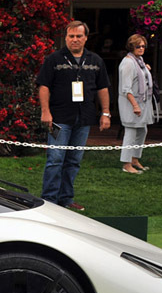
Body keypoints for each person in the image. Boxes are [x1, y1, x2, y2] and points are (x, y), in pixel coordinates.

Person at [37, 20, 111, 211]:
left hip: (84, 118)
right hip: (59, 118)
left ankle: (66, 199)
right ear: (66, 38)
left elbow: (102, 88)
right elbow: (43, 86)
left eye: (79, 36)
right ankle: (49, 200)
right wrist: (45, 111)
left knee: (74, 160)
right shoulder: (54, 59)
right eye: (71, 36)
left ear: (86, 38)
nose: (75, 40)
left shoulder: (95, 61)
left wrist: (105, 113)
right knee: (55, 159)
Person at [117, 34, 155, 174]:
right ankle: (126, 164)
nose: (141, 48)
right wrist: (135, 105)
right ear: (131, 47)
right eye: (137, 46)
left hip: (142, 101)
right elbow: (126, 88)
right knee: (131, 131)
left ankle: (134, 159)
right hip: (131, 102)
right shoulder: (128, 62)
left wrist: (146, 70)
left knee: (142, 130)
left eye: (143, 46)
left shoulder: (139, 61)